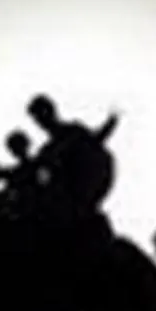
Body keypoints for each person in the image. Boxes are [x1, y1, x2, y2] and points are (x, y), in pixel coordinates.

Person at [25, 93, 120, 222]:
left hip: (88, 188)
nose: (41, 122)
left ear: (52, 111)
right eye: (37, 119)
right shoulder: (48, 150)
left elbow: (96, 139)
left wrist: (111, 121)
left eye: (42, 115)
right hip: (72, 200)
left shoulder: (73, 131)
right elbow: (38, 174)